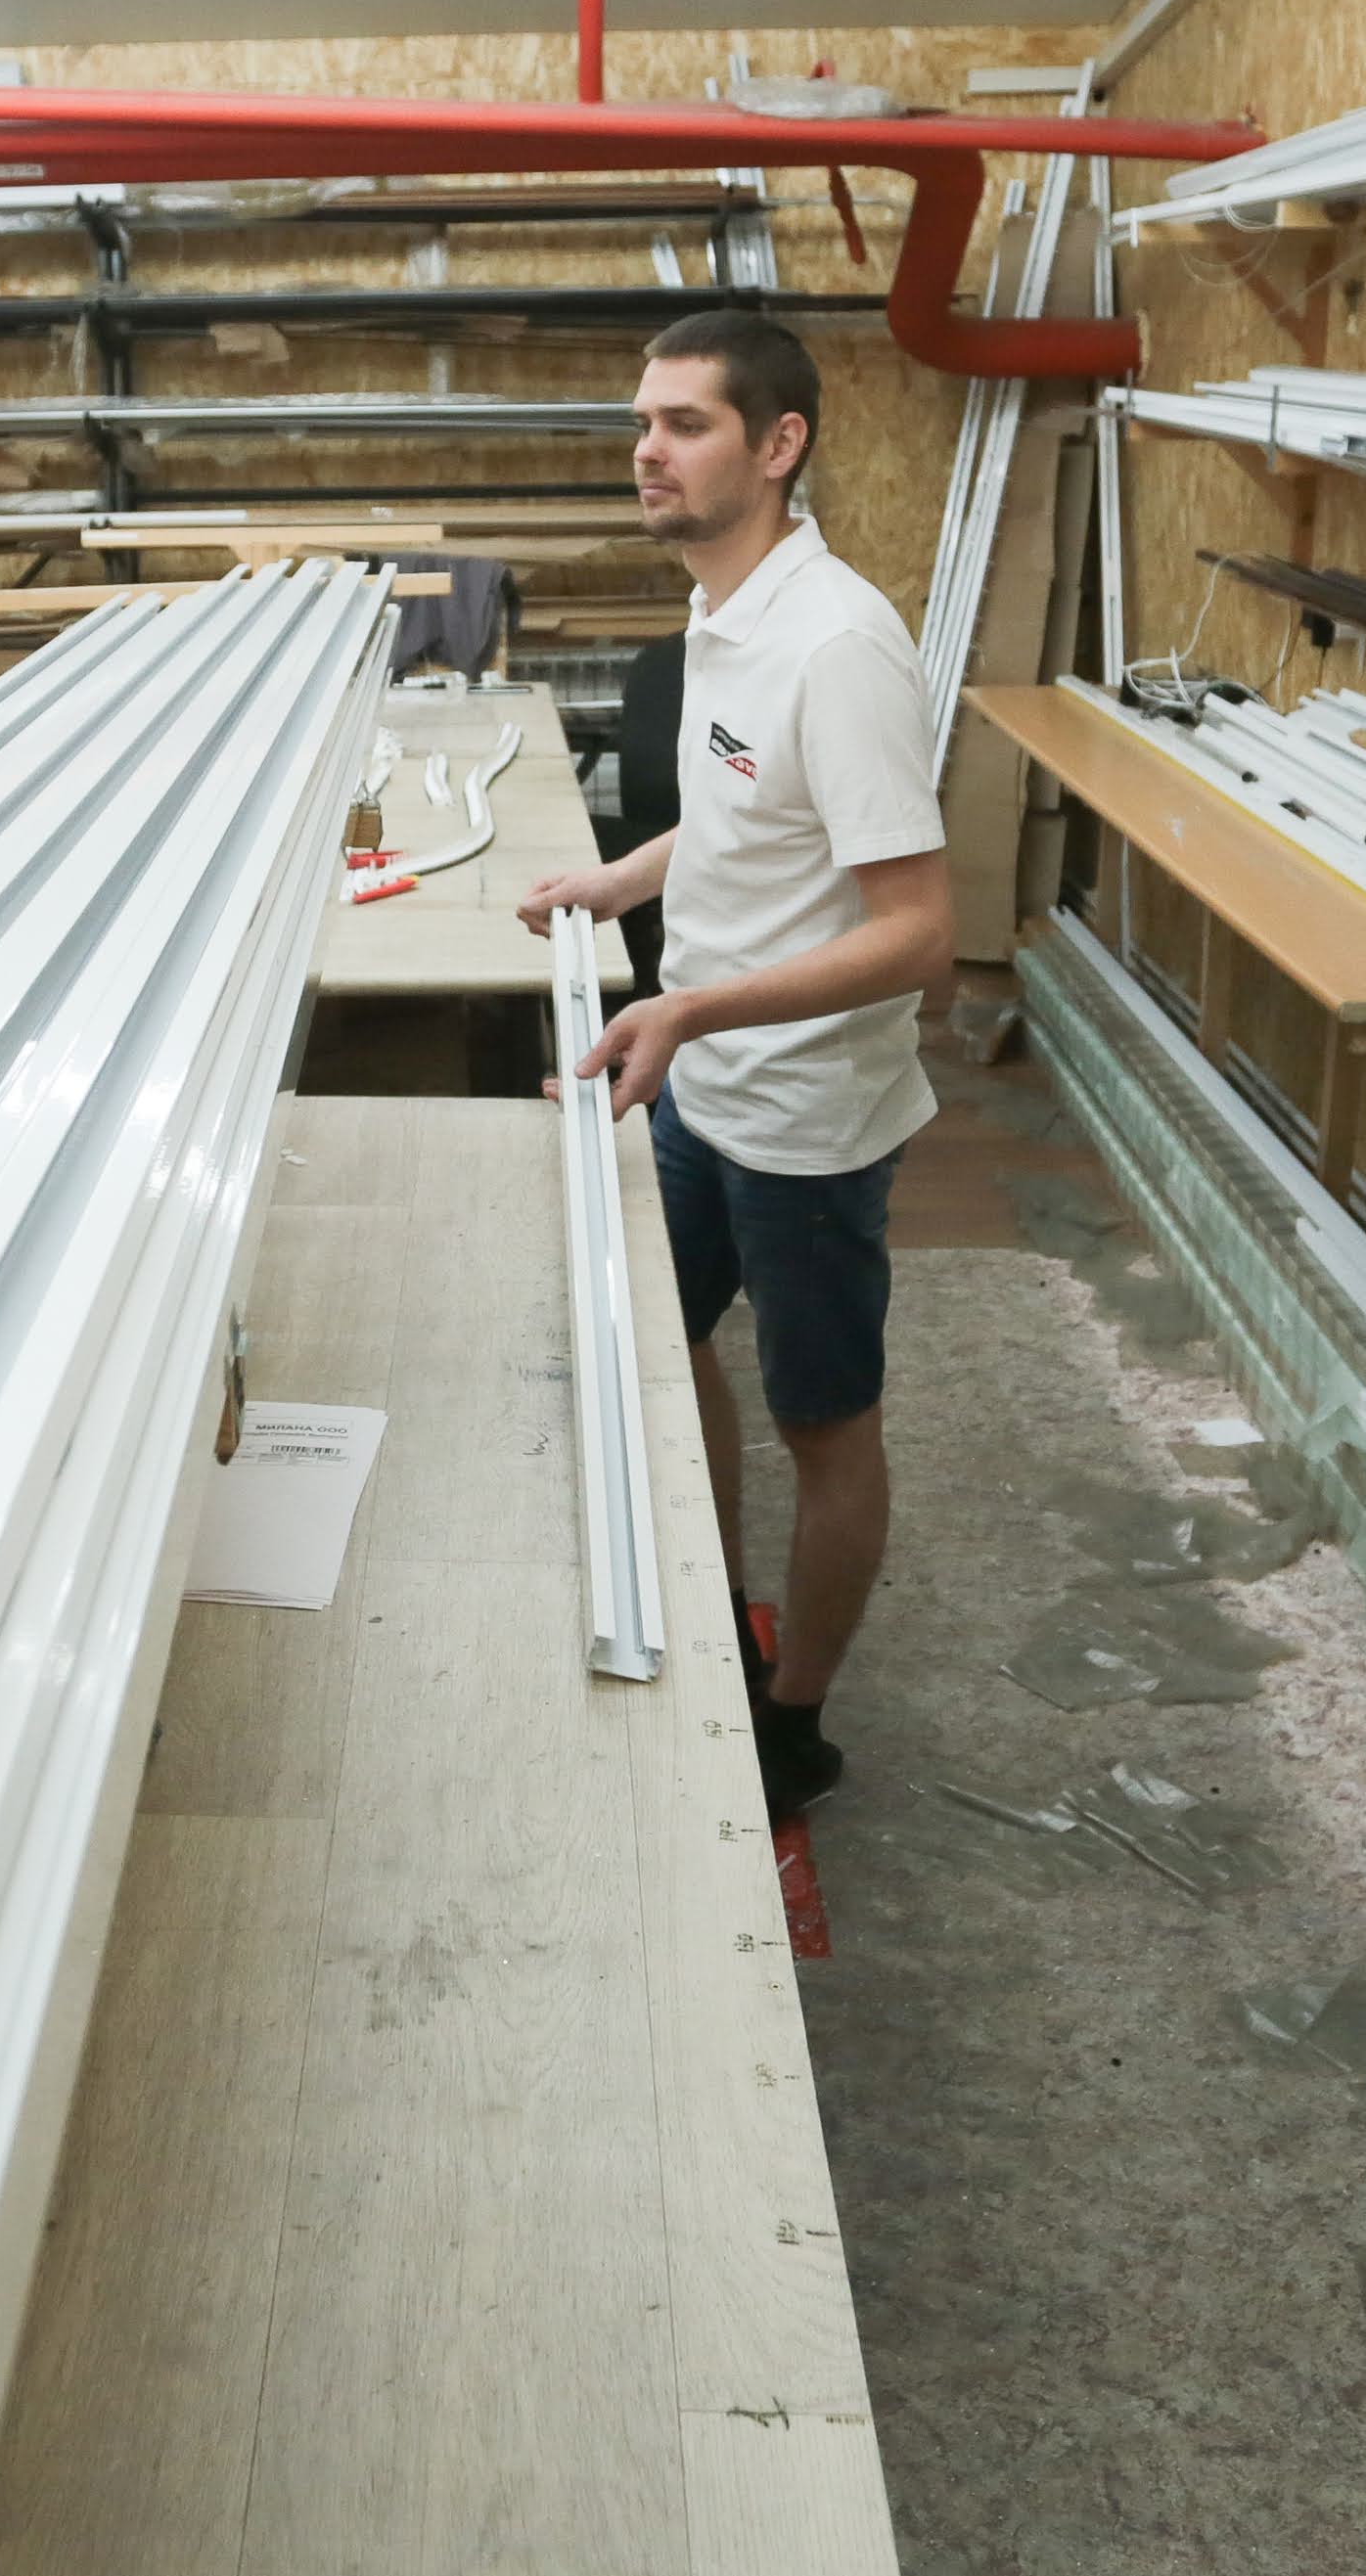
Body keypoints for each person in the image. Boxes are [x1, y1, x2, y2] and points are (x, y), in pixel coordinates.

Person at [520, 308, 951, 1816]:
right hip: (703, 1080)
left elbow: (919, 933)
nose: (647, 450)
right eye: (642, 422)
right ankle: (709, 1609)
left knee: (821, 1423)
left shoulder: (836, 645)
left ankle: (794, 1715)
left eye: (685, 423)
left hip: (805, 1120)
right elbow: (741, 815)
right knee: (666, 1333)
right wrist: (619, 882)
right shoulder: (725, 608)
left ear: (778, 445)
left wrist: (690, 1011)